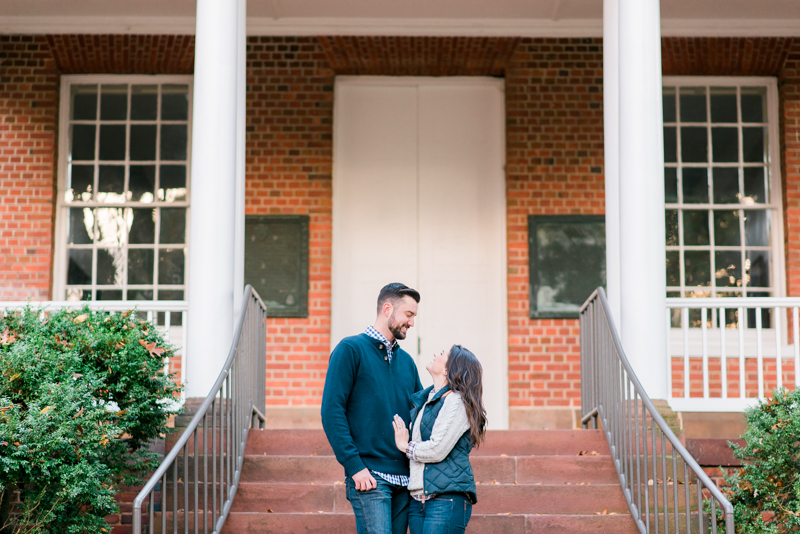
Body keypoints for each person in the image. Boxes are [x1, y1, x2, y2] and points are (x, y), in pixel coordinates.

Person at [321, 282, 424, 534]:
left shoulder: (407, 362)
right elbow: (332, 411)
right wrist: (354, 465)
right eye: (408, 315)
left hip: (405, 480)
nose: (412, 323)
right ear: (387, 308)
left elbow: (421, 415)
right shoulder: (350, 349)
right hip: (370, 477)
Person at [391, 345, 487, 534]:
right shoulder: (428, 400)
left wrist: (404, 445)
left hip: (446, 499)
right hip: (418, 500)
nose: (435, 353)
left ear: (447, 369)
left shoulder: (456, 401)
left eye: (442, 354)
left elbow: (436, 449)